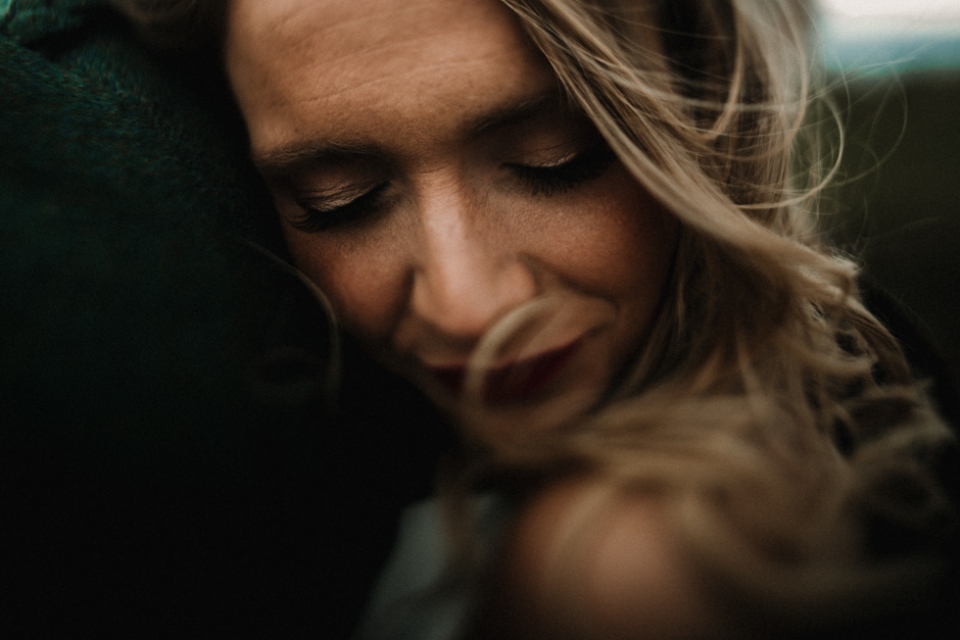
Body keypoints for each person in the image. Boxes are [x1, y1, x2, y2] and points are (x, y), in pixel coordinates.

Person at [112, 0, 958, 638]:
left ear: (706, 122)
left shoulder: (613, 569)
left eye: (554, 161)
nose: (466, 305)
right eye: (340, 202)